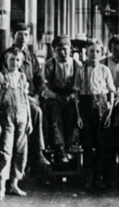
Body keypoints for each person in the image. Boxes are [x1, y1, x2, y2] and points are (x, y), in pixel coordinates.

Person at [0, 23, 50, 170]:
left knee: (47, 110)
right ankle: (38, 153)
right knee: (36, 112)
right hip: (14, 97)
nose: (23, 38)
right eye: (19, 34)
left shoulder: (31, 57)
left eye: (26, 34)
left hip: (32, 97)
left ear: (30, 37)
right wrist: (28, 98)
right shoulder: (7, 55)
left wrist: (36, 95)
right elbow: (6, 80)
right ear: (13, 36)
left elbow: (39, 79)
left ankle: (39, 155)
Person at [0, 48, 31, 201]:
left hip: (22, 117)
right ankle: (1, 189)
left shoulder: (22, 77)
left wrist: (30, 121)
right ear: (6, 60)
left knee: (21, 151)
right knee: (5, 152)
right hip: (5, 118)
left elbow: (26, 99)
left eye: (18, 60)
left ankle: (14, 184)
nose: (15, 62)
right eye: (12, 59)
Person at [74, 39, 116, 189]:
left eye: (97, 51)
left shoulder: (105, 70)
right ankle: (88, 176)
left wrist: (109, 113)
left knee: (101, 144)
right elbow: (77, 94)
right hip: (85, 106)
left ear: (102, 53)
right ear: (86, 52)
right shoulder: (81, 70)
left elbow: (111, 92)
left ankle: (100, 177)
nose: (94, 54)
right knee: (87, 144)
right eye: (91, 51)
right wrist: (78, 115)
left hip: (102, 106)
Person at [42, 34, 83, 163]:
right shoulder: (49, 64)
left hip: (72, 96)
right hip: (54, 96)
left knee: (72, 113)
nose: (63, 52)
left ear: (70, 49)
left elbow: (81, 87)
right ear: (54, 50)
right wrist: (56, 96)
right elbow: (44, 88)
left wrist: (71, 97)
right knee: (54, 114)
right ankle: (59, 148)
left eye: (65, 49)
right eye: (59, 49)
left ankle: (69, 146)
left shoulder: (77, 65)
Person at [101, 34, 119, 186]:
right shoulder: (102, 63)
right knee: (106, 135)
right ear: (109, 49)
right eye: (115, 50)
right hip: (104, 102)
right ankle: (108, 169)